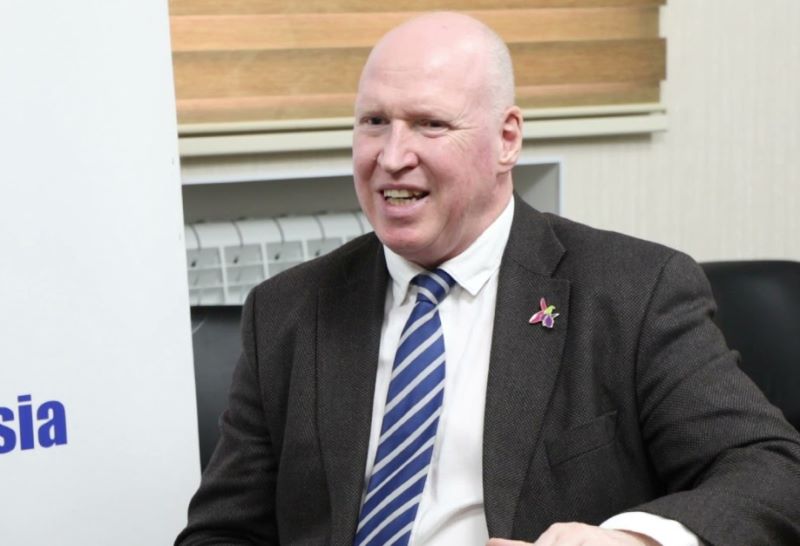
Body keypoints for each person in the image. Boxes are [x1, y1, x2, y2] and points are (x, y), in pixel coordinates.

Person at [176, 12, 800, 546]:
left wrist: (631, 539)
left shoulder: (633, 292)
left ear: (506, 139)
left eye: (430, 124)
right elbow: (222, 533)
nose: (392, 156)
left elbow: (769, 470)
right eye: (374, 122)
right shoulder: (288, 311)